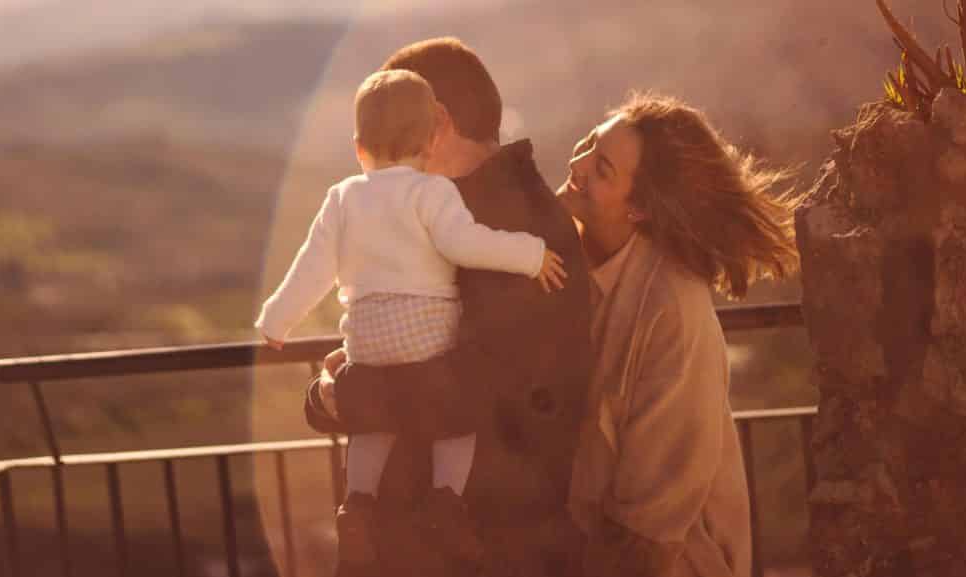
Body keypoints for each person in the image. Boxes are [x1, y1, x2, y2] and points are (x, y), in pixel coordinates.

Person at [254, 68, 567, 569]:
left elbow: (311, 267)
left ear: (359, 147)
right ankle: (447, 498)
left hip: (367, 344)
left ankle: (357, 501)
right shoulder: (433, 193)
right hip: (426, 341)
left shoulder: (342, 198)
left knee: (371, 426)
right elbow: (466, 244)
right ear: (429, 138)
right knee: (459, 419)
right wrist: (531, 255)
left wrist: (276, 321)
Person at [558, 92, 802, 576]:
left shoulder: (671, 310)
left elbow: (647, 533)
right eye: (589, 142)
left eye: (602, 168)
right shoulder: (561, 261)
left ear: (640, 210)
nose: (577, 163)